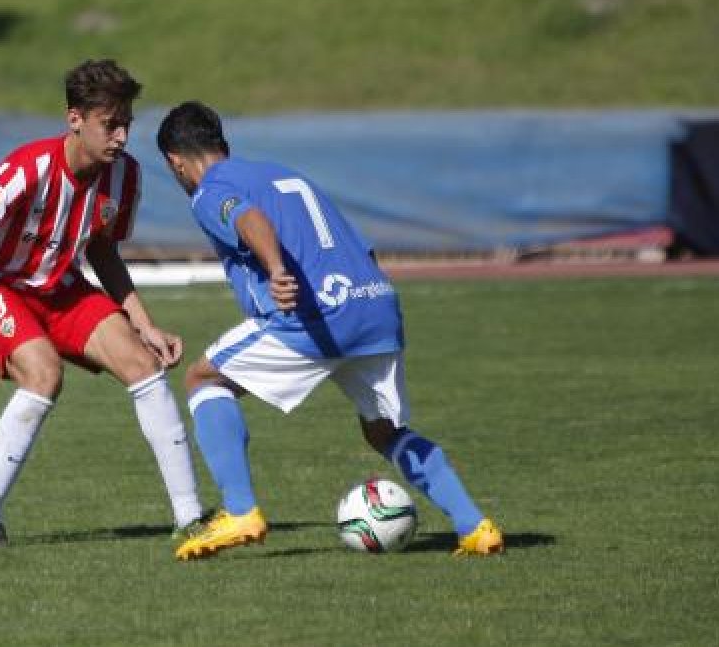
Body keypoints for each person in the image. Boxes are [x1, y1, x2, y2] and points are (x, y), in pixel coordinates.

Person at [155, 101, 504, 560]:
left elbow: (248, 220)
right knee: (383, 430)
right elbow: (357, 243)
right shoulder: (285, 175)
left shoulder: (210, 190)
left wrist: (276, 270)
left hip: (316, 314)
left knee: (203, 379)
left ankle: (240, 511)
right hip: (375, 304)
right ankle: (475, 526)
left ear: (175, 162)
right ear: (223, 142)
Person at [0, 60, 204, 547]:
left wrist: (144, 324)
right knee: (44, 373)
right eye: (110, 125)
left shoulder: (124, 176)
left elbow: (103, 250)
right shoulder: (27, 168)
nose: (122, 137)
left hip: (61, 286)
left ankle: (190, 517)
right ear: (75, 119)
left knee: (142, 364)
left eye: (127, 123)